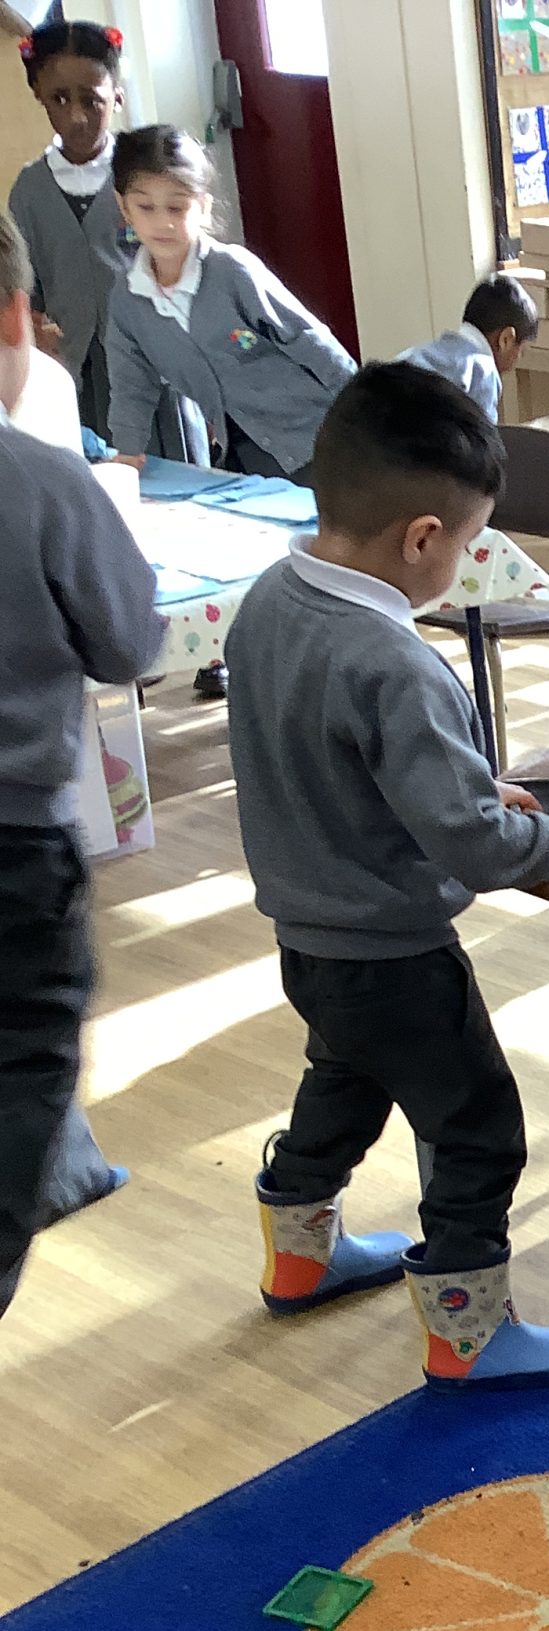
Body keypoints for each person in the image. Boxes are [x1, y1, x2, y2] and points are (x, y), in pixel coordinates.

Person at [226, 362, 549, 1387]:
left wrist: (466, 786)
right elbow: (478, 849)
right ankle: (468, 1336)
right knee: (477, 1130)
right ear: (423, 538)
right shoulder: (395, 663)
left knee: (344, 1083)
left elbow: (335, 765)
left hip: (309, 943)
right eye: (469, 545)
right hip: (398, 956)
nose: (465, 562)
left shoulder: (267, 603)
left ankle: (301, 1259)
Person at [0, 207, 163, 1319]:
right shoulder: (42, 482)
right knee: (20, 1083)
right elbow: (131, 643)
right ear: (18, 318)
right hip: (12, 851)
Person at [104, 124, 353, 481]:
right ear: (124, 207)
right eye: (146, 207)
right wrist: (128, 454)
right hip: (245, 454)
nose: (163, 222)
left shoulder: (232, 271)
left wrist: (364, 410)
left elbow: (309, 340)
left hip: (321, 437)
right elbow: (132, 385)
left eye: (176, 207)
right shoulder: (128, 301)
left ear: (203, 207)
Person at [8, 19, 130, 443]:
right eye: (59, 99)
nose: (76, 117)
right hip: (72, 371)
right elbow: (23, 285)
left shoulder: (143, 175)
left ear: (117, 94)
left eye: (92, 100)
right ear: (39, 95)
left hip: (152, 368)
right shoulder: (28, 191)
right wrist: (35, 322)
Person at [395, 273, 539, 425]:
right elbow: (483, 438)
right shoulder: (483, 373)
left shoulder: (416, 355)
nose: (518, 358)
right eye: (521, 350)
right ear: (506, 339)